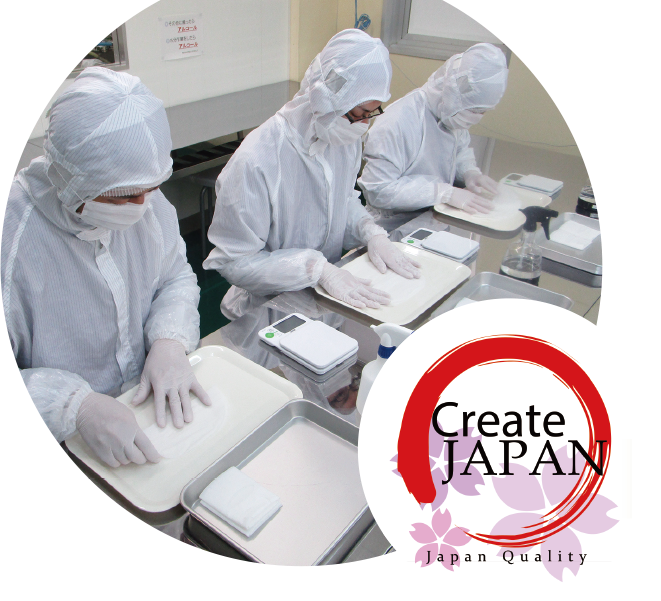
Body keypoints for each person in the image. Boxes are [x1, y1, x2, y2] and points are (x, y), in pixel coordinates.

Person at [1, 68, 210, 468]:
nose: (140, 207)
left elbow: (175, 278)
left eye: (149, 190)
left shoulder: (148, 205)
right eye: (120, 198)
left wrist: (169, 340)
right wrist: (73, 406)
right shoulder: (13, 242)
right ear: (68, 178)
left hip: (149, 408)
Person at [204, 29, 421, 321]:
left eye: (371, 113)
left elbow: (343, 201)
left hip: (330, 299)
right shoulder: (257, 159)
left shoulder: (343, 137)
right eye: (358, 113)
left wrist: (370, 232)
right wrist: (314, 269)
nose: (363, 124)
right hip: (268, 310)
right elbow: (235, 262)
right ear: (325, 97)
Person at [358, 43, 509, 232]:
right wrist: (442, 192)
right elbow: (378, 190)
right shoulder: (397, 122)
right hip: (390, 229)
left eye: (482, 112)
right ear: (453, 93)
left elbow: (457, 151)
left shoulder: (450, 115)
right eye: (473, 110)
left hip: (434, 219)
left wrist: (469, 173)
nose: (476, 117)